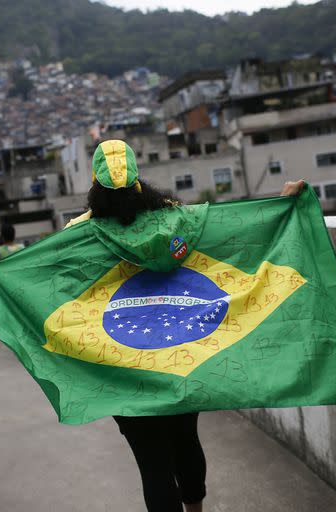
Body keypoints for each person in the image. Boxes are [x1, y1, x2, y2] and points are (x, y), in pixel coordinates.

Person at [65, 140, 305, 512]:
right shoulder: (177, 219)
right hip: (180, 353)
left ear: (95, 183)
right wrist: (283, 205)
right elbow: (231, 241)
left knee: (152, 463)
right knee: (184, 438)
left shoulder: (76, 234)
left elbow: (59, 293)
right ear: (137, 180)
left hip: (121, 362)